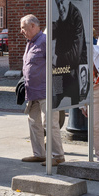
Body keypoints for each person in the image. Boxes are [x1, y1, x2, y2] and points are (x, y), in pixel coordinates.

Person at [19, 15, 65, 165]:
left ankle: (57, 156)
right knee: (34, 123)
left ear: (33, 26)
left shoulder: (45, 41)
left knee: (50, 124)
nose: (21, 31)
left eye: (23, 28)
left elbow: (57, 65)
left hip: (46, 91)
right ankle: (39, 153)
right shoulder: (30, 42)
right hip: (32, 92)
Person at [53, 0, 87, 107]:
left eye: (62, 2)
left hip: (75, 73)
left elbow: (75, 55)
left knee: (75, 105)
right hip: (60, 70)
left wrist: (56, 58)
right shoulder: (63, 18)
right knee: (53, 100)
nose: (60, 7)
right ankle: (52, 124)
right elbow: (57, 27)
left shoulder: (76, 16)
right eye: (57, 4)